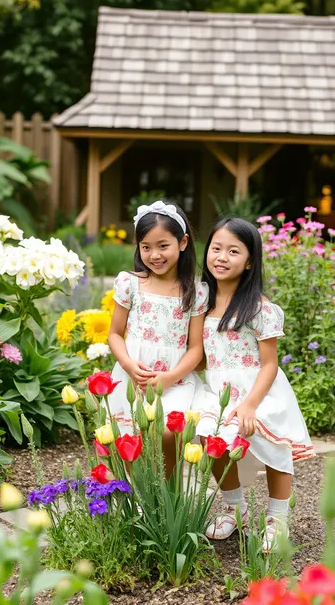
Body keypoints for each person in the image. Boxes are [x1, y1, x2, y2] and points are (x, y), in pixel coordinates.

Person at [194, 217, 314, 552]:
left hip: (259, 389)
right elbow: (205, 355)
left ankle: (278, 519)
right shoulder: (202, 303)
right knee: (211, 439)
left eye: (233, 251)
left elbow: (270, 364)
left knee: (276, 445)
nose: (221, 256)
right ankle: (236, 509)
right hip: (218, 392)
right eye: (216, 248)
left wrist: (249, 404)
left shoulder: (259, 309)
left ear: (249, 261)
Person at [108, 200, 207, 477]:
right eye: (146, 247)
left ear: (183, 242)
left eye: (163, 246)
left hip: (175, 379)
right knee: (128, 436)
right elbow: (115, 334)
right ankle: (133, 498)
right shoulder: (131, 283)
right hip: (133, 376)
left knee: (166, 432)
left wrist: (171, 376)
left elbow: (196, 347)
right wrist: (128, 365)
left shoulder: (195, 291)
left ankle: (166, 496)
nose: (154, 255)